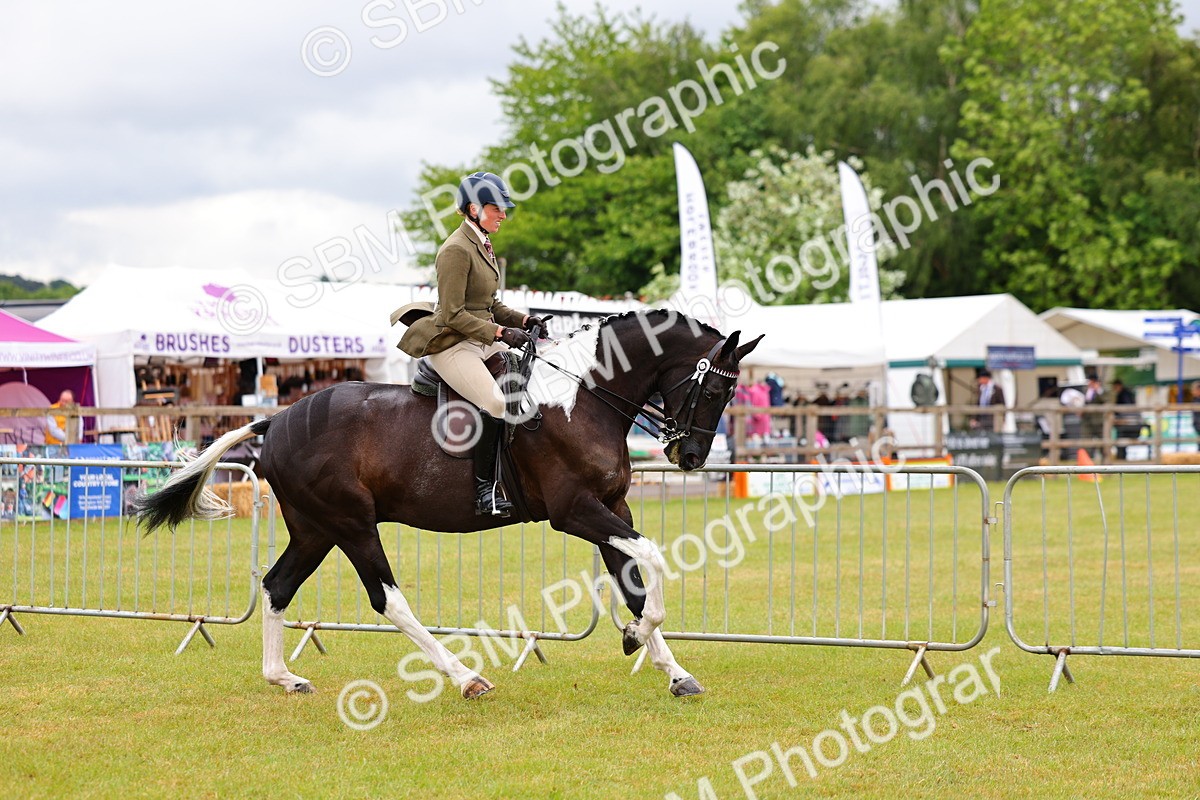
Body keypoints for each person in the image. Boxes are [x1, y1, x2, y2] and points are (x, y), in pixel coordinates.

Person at [395, 172, 549, 517]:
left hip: (481, 338)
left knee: (533, 380)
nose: (504, 215)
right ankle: (485, 492)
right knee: (496, 403)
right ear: (474, 209)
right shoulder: (455, 250)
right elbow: (452, 314)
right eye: (497, 209)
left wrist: (524, 321)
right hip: (454, 344)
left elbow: (490, 305)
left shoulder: (482, 243)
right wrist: (499, 334)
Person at [1110, 379, 1138, 460]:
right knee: (1121, 439)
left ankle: (1121, 457)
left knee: (1121, 438)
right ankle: (1121, 456)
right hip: (1129, 421)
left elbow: (1126, 408)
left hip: (1126, 421)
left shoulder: (1123, 394)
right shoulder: (1127, 393)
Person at [1081, 375, 1105, 458]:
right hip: (1087, 421)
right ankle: (1087, 462)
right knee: (1087, 443)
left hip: (1100, 421)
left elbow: (1105, 401)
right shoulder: (1086, 391)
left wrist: (1097, 390)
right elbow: (1083, 402)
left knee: (1104, 444)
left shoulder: (1102, 391)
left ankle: (1106, 463)